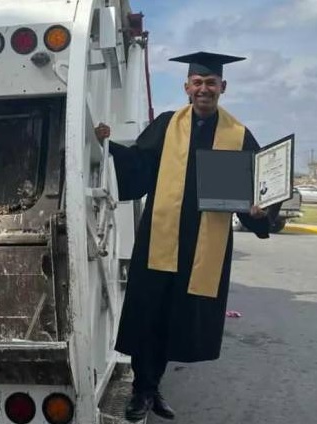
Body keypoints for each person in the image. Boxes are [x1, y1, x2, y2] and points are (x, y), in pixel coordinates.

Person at [94, 51, 281, 422]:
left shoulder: (239, 135)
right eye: (198, 82)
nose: (204, 89)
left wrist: (261, 214)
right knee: (150, 315)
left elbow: (257, 191)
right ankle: (141, 391)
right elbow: (138, 165)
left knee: (177, 320)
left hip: (203, 245)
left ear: (222, 87)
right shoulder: (167, 125)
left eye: (211, 83)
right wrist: (105, 144)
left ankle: (154, 387)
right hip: (160, 239)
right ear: (187, 87)